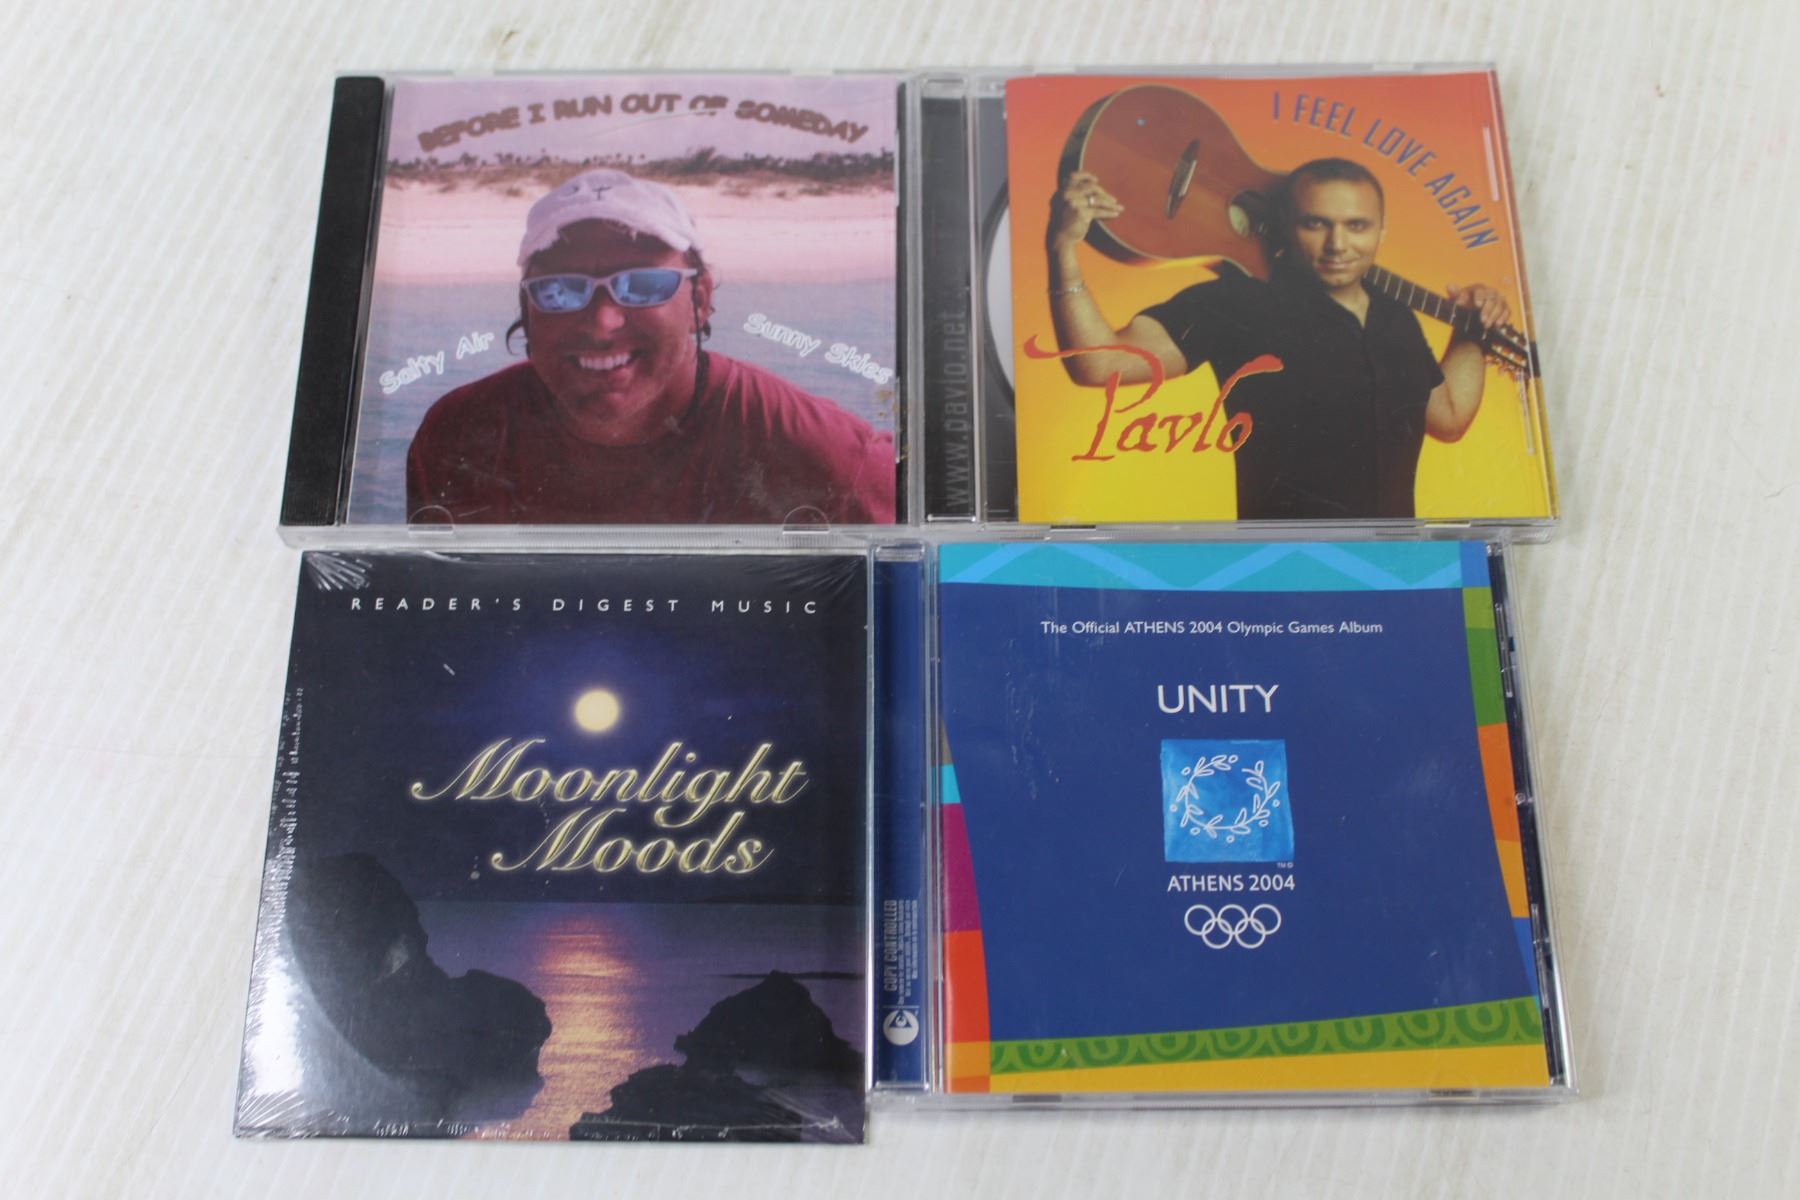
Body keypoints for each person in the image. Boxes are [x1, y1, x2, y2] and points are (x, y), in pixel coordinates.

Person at [406, 169, 895, 525]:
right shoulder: (456, 437)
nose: (602, 323)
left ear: (699, 300)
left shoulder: (831, 457)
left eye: (643, 286)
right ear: (527, 307)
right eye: (560, 290)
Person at [1044, 157, 1510, 520]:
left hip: (1393, 566)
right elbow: (1098, 365)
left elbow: (1448, 418)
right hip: (1283, 566)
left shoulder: (1394, 318)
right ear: (1286, 225)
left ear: (1381, 232)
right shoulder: (1236, 302)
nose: (1338, 244)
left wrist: (1473, 333)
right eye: (1316, 223)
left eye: (1357, 226)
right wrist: (1063, 248)